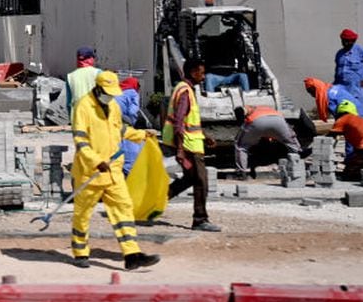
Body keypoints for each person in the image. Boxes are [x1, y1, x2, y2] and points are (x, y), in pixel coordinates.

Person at [69, 70, 161, 271]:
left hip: (113, 171)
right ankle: (80, 253)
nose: (110, 96)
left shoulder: (113, 106)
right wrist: (96, 161)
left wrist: (141, 134)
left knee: (124, 208)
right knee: (83, 213)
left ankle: (132, 254)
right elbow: (80, 141)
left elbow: (120, 131)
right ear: (98, 88)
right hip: (89, 173)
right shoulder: (83, 107)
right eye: (107, 92)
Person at [163, 57, 220, 232]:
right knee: (201, 181)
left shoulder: (182, 89)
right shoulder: (186, 92)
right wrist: (180, 149)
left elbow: (188, 121)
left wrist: (205, 136)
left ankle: (155, 202)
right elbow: (179, 122)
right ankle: (200, 219)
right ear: (193, 72)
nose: (203, 77)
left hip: (190, 142)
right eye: (201, 73)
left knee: (190, 178)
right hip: (189, 146)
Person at [232, 104, 302, 179]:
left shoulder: (250, 108)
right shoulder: (264, 107)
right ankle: (299, 160)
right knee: (291, 142)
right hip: (278, 120)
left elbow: (242, 110)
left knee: (241, 146)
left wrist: (241, 121)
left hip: (257, 121)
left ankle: (241, 173)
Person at [334, 29, 363, 112]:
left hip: (356, 93)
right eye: (344, 41)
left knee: (358, 118)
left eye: (348, 41)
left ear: (353, 41)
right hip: (342, 93)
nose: (346, 43)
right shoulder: (339, 54)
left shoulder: (361, 51)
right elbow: (337, 72)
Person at [116, 76, 143, 176]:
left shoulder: (116, 92)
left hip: (111, 123)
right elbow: (132, 111)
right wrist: (132, 122)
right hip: (124, 123)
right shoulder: (133, 93)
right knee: (131, 149)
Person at [64, 46, 101, 114]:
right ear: (91, 59)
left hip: (77, 118)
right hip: (95, 116)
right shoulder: (99, 73)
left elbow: (69, 103)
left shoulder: (70, 76)